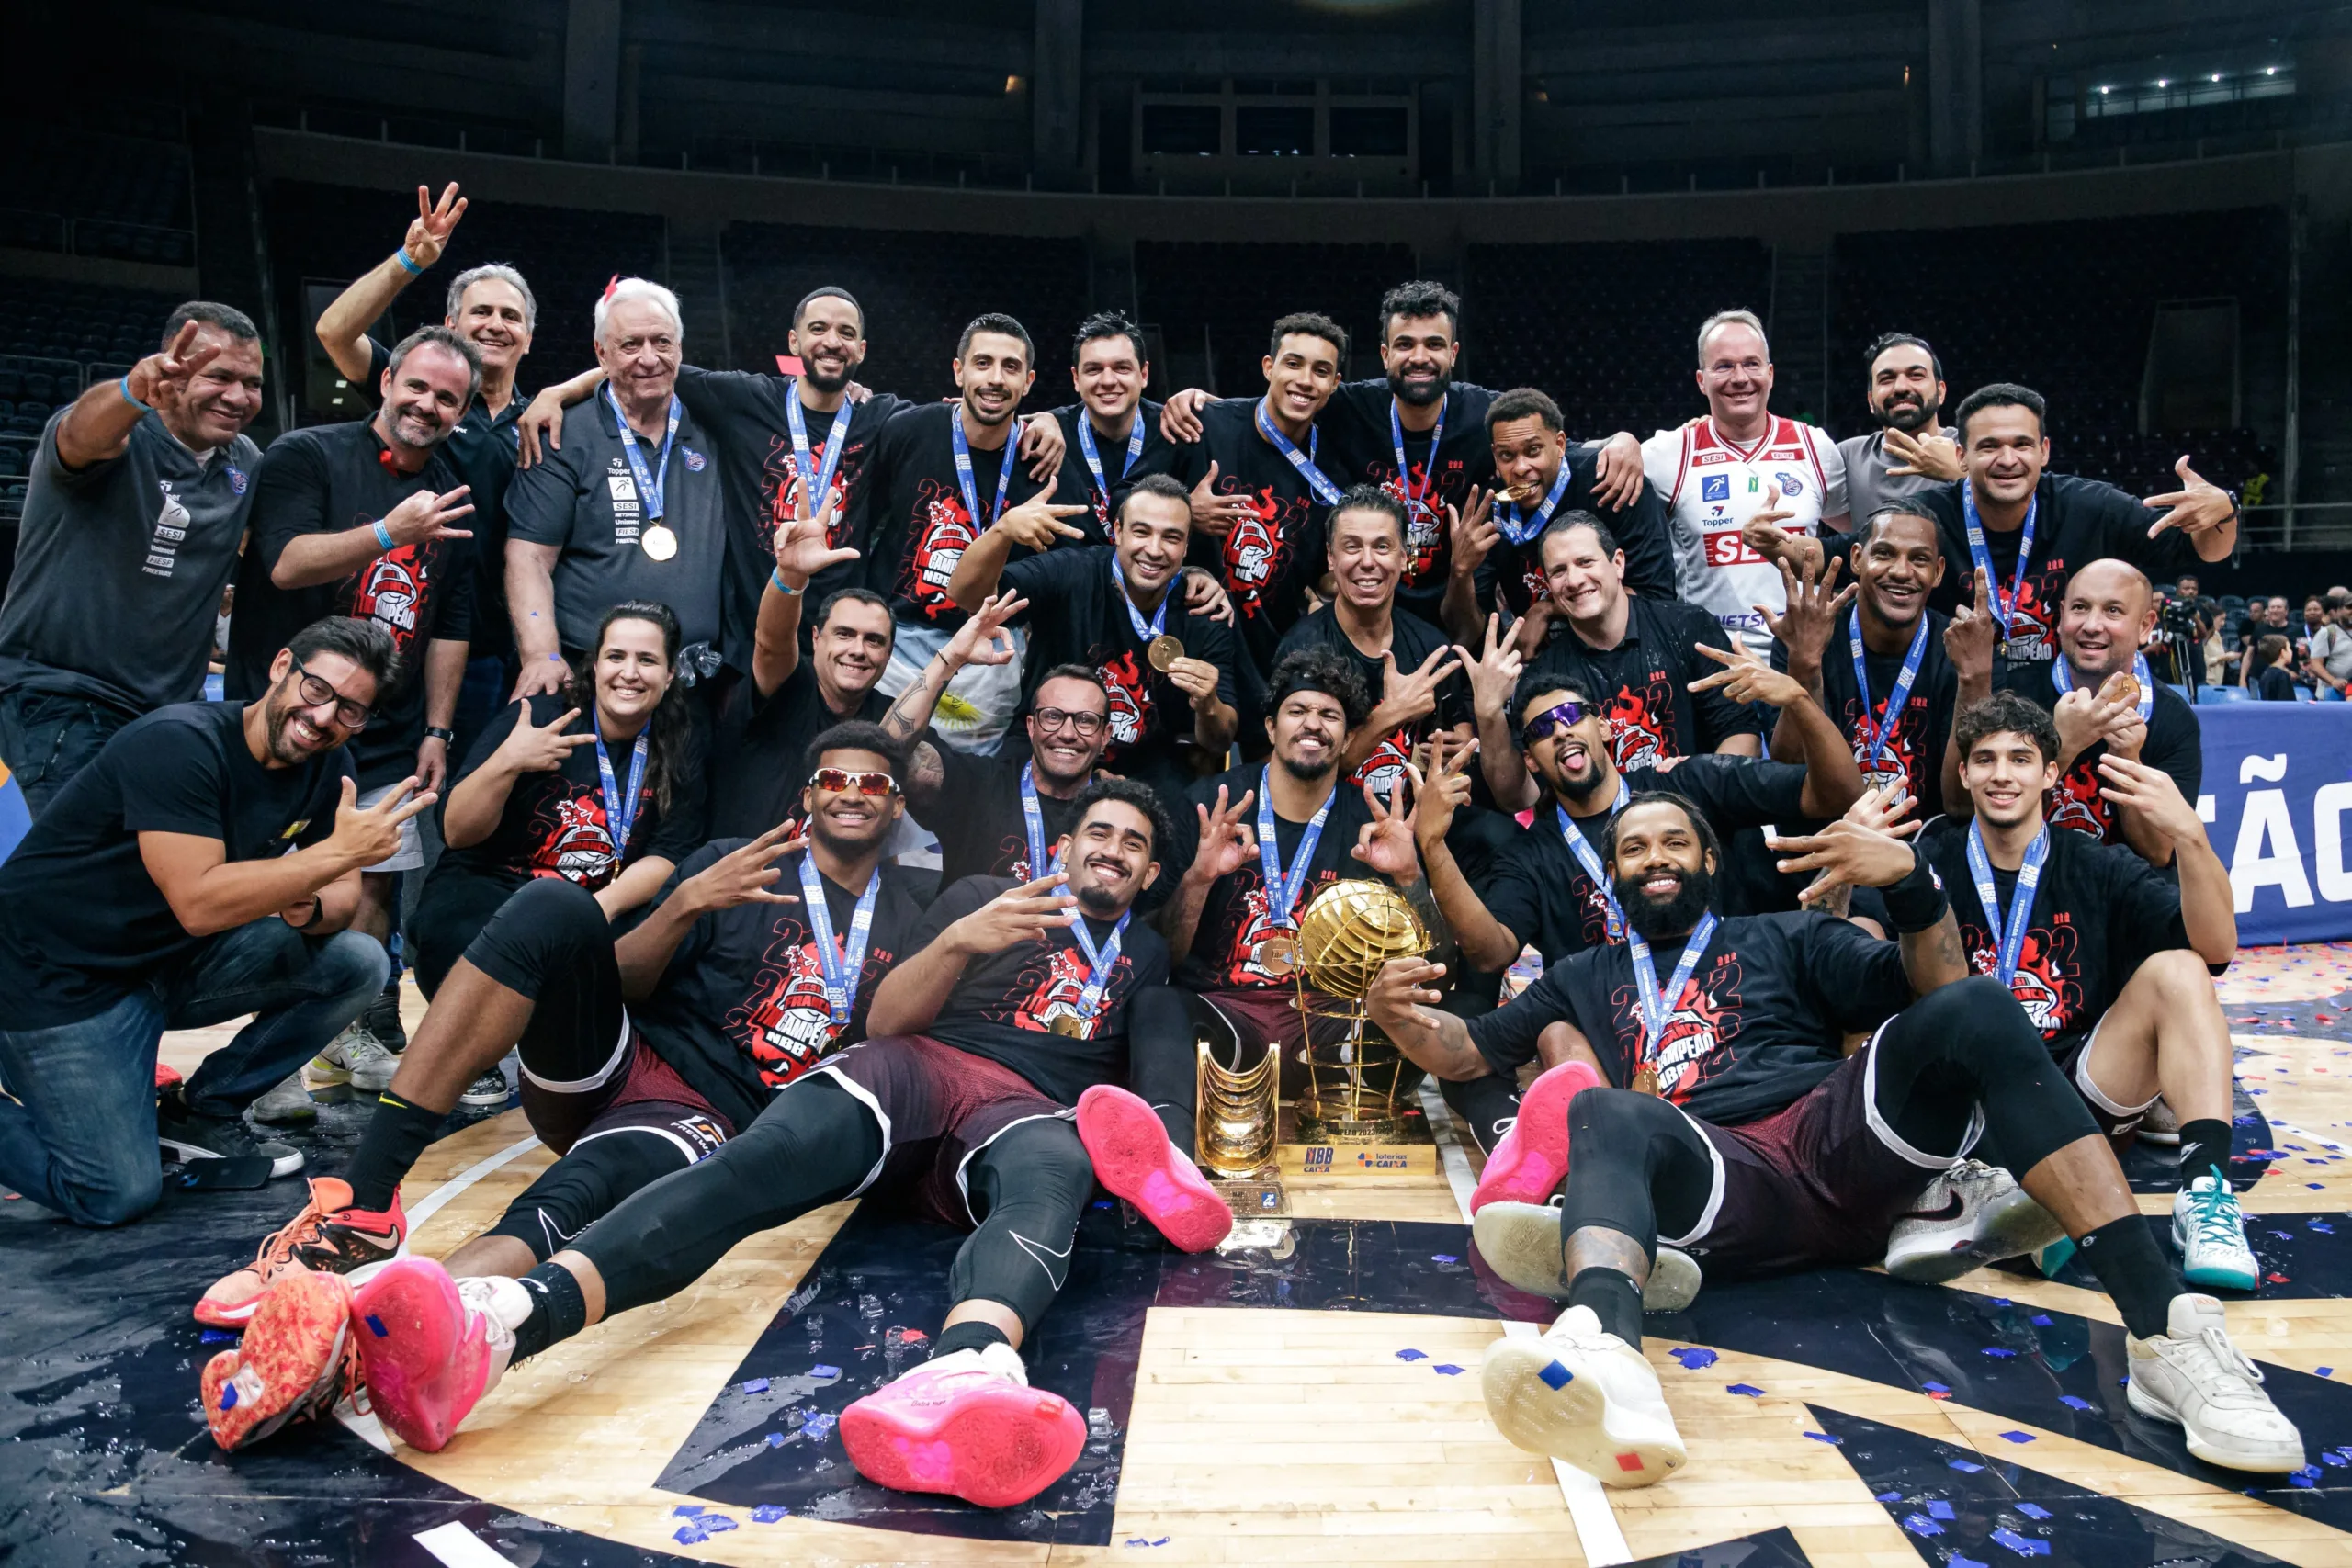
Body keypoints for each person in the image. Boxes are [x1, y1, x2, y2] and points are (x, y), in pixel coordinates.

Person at [220, 783, 1232, 1513]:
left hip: (1024, 1110)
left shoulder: (1149, 957)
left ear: (1150, 872)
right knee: (751, 1166)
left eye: (1130, 842)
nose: (1109, 848)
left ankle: (971, 1367)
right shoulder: (970, 895)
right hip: (912, 1064)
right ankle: (499, 1323)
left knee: (1049, 1172)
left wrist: (1161, 1133)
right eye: (1094, 830)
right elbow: (884, 1017)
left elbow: (1162, 1029)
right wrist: (963, 941)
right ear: (1060, 847)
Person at [1364, 791, 2304, 1483]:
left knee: (1977, 1007)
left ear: (1706, 861)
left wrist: (1913, 885)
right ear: (1612, 875)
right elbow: (1466, 1049)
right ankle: (1613, 1364)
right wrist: (1401, 1021)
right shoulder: (1580, 970)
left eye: (1675, 842)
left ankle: (2165, 1335)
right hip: (1717, 1171)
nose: (1654, 858)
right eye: (1634, 848)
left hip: (1839, 1141)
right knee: (1603, 1109)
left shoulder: (1784, 935)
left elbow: (1931, 983)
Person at [193, 722, 932, 1348]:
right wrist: (684, 906)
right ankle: (365, 1200)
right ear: (808, 794)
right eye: (837, 777)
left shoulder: (915, 919)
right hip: (617, 1059)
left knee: (564, 1203)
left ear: (897, 807)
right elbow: (623, 979)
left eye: (874, 786)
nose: (853, 793)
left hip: (701, 1118)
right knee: (553, 905)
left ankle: (366, 1335)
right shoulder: (734, 861)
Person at [0, 618, 420, 1224]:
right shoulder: (179, 744)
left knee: (356, 961)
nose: (325, 716)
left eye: (351, 710)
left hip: (161, 965)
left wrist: (307, 895)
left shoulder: (330, 766)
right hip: (54, 980)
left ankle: (201, 1109)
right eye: (317, 690)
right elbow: (198, 904)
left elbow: (341, 899)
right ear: (281, 668)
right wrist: (334, 858)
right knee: (114, 1194)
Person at [1414, 653, 1863, 1202]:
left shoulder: (1685, 786)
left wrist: (1796, 699)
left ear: (1601, 725)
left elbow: (1834, 795)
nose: (1561, 733)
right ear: (1529, 760)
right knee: (1555, 1034)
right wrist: (1433, 846)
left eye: (1571, 716)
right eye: (1539, 731)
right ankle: (1600, 1184)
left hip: (1727, 1011)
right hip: (1618, 1041)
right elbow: (1489, 952)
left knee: (1849, 968)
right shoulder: (1530, 854)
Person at [1883, 692, 2256, 1292]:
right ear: (1963, 773)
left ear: (2051, 773)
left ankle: (2205, 1192)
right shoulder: (1928, 856)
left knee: (2181, 970)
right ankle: (2031, 1201)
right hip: (1961, 1108)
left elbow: (2216, 949)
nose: (2002, 773)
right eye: (1985, 758)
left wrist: (2189, 835)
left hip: (2072, 1092)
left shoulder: (2097, 863)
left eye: (2020, 758)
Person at [224, 324, 483, 1097]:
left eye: (448, 398)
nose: (428, 405)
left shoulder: (453, 486)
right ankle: (265, 1061)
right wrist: (386, 532)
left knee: (374, 887)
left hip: (385, 729)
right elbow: (283, 559)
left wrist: (437, 727)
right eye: (418, 386)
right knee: (271, 887)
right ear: (387, 381)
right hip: (287, 719)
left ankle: (351, 1037)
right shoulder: (306, 454)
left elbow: (452, 621)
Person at [1140, 648, 1440, 1124]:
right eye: (1297, 711)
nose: (1313, 724)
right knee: (1155, 1002)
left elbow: (1435, 964)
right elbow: (1160, 956)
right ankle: (1168, 1147)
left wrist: (1409, 876)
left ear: (1347, 740)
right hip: (1225, 1025)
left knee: (1409, 1008)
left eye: (1330, 716)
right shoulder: (1210, 805)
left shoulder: (1374, 821)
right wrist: (1198, 880)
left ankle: (1352, 1113)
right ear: (1271, 728)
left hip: (1331, 1032)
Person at [0, 306, 266, 812]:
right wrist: (129, 393)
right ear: (173, 368)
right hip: (65, 698)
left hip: (171, 713)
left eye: (251, 383)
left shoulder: (246, 462)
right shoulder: (120, 436)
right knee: (72, 875)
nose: (237, 397)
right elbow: (80, 433)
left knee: (161, 876)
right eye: (220, 377)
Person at [409, 601, 707, 1024]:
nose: (629, 673)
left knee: (673, 937)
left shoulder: (681, 737)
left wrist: (597, 909)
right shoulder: (541, 715)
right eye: (616, 656)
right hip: (500, 883)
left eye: (647, 660)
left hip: (604, 895)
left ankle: (585, 1058)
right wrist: (508, 762)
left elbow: (670, 851)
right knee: (455, 930)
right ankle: (473, 1052)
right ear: (595, 664)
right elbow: (457, 833)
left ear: (670, 673)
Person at [312, 183, 537, 744]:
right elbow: (334, 332)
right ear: (450, 325)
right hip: (398, 635)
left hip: (494, 650)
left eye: (510, 316)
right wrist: (409, 260)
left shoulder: (548, 421)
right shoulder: (420, 395)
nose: (494, 323)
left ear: (528, 338)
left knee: (471, 810)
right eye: (479, 311)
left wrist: (567, 391)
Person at [505, 280, 734, 699]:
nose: (650, 358)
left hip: (696, 680)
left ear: (680, 348)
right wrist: (541, 654)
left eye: (662, 342)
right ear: (601, 352)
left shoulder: (717, 424)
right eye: (630, 345)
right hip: (590, 675)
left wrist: (847, 392)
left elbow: (797, 398)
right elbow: (530, 556)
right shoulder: (560, 434)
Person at [860, 312, 1073, 754]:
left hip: (989, 651)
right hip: (902, 640)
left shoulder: (1042, 461)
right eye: (982, 363)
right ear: (959, 370)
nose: (995, 379)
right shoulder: (907, 431)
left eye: (1010, 367)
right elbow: (861, 524)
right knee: (882, 770)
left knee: (963, 796)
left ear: (1029, 381)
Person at [1913, 384, 2236, 670]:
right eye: (1989, 446)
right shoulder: (1924, 518)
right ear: (1961, 456)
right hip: (1958, 709)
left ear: (2044, 451)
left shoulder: (2092, 507)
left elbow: (2203, 550)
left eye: (2023, 444)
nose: (2008, 459)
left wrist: (2225, 510)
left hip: (2067, 705)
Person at [950, 472, 1239, 790]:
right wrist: (1003, 531)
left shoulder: (1202, 608)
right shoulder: (1071, 573)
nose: (1154, 550)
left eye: (1171, 537)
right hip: (1047, 743)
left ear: (1186, 546)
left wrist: (1209, 704)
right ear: (1117, 531)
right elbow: (966, 597)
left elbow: (1220, 741)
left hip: (1143, 766)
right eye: (1141, 532)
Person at [1479, 514, 1755, 811]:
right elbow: (1520, 798)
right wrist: (1488, 713)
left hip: (1701, 815)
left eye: (1585, 562)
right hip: (1604, 841)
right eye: (1559, 571)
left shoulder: (1690, 628)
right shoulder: (1544, 679)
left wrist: (1699, 788)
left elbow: (1742, 736)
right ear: (1548, 585)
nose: (1574, 580)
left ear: (1618, 564)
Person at [1948, 559, 2201, 864]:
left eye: (2113, 611)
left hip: (2123, 897)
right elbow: (1972, 814)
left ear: (2145, 625)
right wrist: (2063, 745)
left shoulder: (2173, 717)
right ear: (2061, 615)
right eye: (2080, 608)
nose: (2092, 625)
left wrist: (2127, 761)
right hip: (2026, 885)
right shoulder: (2014, 693)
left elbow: (2160, 853)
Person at [1642, 309, 1849, 663]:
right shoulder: (1668, 454)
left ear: (1770, 374)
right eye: (1723, 366)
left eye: (1752, 364)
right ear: (1700, 380)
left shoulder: (1816, 447)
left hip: (1804, 659)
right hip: (1709, 661)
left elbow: (1855, 543)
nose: (1740, 378)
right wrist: (1621, 442)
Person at [1164, 312, 1351, 675]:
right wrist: (1184, 512)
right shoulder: (1203, 425)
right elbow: (1124, 500)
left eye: (1321, 371)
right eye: (1293, 364)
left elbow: (1320, 575)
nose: (1305, 381)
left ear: (1335, 383)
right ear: (1268, 367)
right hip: (1188, 642)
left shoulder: (1334, 470)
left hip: (1272, 658)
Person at [1275, 487, 1472, 801]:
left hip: (1414, 819)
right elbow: (1301, 775)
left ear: (1403, 556)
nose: (1367, 562)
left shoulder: (1431, 646)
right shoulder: (1301, 650)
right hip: (1329, 821)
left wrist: (1462, 743)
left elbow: (1459, 724)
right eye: (1352, 547)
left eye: (1382, 546)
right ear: (1330, 556)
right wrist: (1388, 716)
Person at [1769, 501, 1957, 810]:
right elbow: (1788, 768)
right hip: (1828, 835)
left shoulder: (1958, 647)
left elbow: (1962, 803)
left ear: (1937, 573)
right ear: (1856, 559)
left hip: (1924, 845)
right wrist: (1805, 666)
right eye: (1884, 554)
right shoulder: (1804, 637)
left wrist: (1975, 679)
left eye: (1919, 559)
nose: (1900, 572)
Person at [1474, 386, 1673, 624]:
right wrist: (1460, 571)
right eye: (1507, 455)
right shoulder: (1491, 506)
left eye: (1534, 450)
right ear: (1495, 455)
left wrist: (1548, 610)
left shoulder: (1610, 480)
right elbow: (1472, 626)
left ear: (1560, 444)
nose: (1520, 468)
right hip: (1539, 656)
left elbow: (1656, 598)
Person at [905, 663, 1114, 891]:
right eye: (1052, 717)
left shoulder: (1118, 814)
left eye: (1086, 720)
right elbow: (892, 752)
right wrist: (950, 659)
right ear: (1031, 727)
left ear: (1105, 735)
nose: (1067, 734)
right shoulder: (978, 784)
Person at [1051, 311, 1181, 535]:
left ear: (1144, 374)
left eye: (1122, 368)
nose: (1108, 381)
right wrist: (1039, 420)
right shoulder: (1050, 432)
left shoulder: (1176, 428)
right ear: (1076, 378)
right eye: (1094, 369)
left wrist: (1207, 401)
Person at [1836, 333, 1961, 524]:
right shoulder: (1847, 457)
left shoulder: (1970, 448)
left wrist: (1958, 474)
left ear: (1941, 392)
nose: (1901, 387)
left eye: (1916, 376)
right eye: (1886, 379)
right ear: (1870, 401)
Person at [2239, 595, 2298, 690]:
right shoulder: (2259, 628)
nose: (2275, 610)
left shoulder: (2296, 630)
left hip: (2285, 680)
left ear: (2286, 611)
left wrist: (2296, 673)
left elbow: (2302, 656)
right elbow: (2249, 655)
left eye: (2279, 607)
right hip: (2257, 679)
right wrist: (2242, 679)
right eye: (2272, 607)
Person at [2308, 592, 2352, 700]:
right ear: (2338, 610)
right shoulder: (2328, 633)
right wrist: (2333, 681)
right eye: (2349, 607)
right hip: (2332, 693)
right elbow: (2315, 664)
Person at [2254, 635, 2301, 701]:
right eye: (2289, 648)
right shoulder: (2282, 676)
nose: (2291, 651)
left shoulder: (2265, 673)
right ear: (2283, 652)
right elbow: (2288, 703)